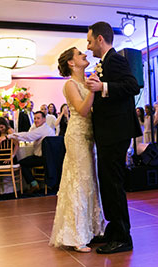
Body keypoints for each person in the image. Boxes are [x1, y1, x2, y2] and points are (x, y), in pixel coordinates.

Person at [85, 21, 142, 254]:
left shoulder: (115, 59)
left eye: (89, 41)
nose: (88, 47)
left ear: (100, 39)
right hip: (109, 132)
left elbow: (132, 86)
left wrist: (103, 87)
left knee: (113, 183)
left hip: (116, 131)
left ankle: (122, 237)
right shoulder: (105, 62)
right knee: (107, 183)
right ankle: (114, 229)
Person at [49, 47, 105, 253]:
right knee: (79, 182)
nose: (84, 54)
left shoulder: (86, 81)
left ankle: (93, 229)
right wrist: (92, 89)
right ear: (71, 63)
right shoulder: (70, 84)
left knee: (90, 181)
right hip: (77, 136)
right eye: (80, 53)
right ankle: (76, 235)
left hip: (90, 136)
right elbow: (82, 110)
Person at [0, 111, 55, 193]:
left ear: (44, 119)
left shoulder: (41, 130)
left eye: (38, 118)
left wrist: (8, 136)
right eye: (35, 118)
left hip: (42, 158)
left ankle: (34, 184)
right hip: (51, 159)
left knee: (22, 163)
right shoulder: (49, 129)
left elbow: (27, 136)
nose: (36, 120)